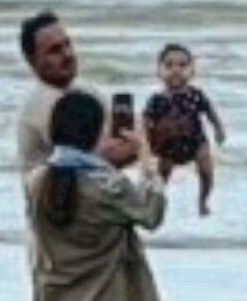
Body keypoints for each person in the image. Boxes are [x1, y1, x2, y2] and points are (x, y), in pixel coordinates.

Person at [27, 89, 166, 301]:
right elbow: (151, 215)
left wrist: (100, 159)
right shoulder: (111, 188)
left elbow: (71, 174)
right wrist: (146, 157)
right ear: (95, 132)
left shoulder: (36, 180)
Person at [17, 11, 137, 181]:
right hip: (56, 204)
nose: (67, 54)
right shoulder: (42, 104)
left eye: (67, 44)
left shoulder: (85, 91)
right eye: (54, 50)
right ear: (32, 61)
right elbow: (78, 161)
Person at [143, 43, 226, 216]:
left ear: (192, 71)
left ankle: (203, 201)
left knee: (206, 172)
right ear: (159, 72)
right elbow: (146, 121)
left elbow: (210, 112)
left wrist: (219, 129)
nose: (176, 70)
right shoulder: (157, 100)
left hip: (196, 142)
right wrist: (145, 144)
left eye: (182, 65)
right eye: (169, 65)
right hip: (168, 146)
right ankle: (155, 205)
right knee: (162, 178)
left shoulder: (196, 95)